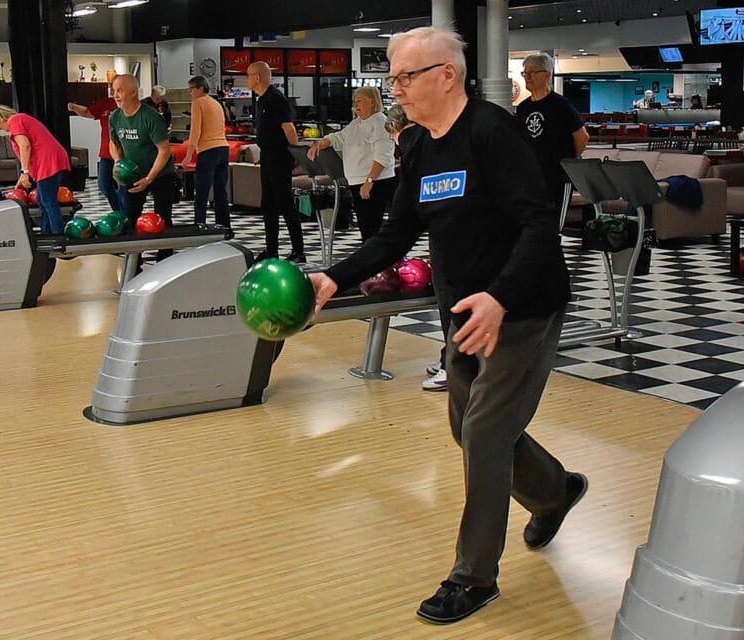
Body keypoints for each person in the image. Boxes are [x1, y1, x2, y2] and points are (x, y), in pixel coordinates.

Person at [308, 26, 587, 625]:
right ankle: (554, 491)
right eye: (392, 78)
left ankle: (473, 576)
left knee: (485, 431)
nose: (396, 89)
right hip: (461, 309)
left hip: (522, 307)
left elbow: (539, 224)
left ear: (447, 75)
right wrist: (333, 277)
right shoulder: (418, 146)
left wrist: (501, 298)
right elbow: (396, 233)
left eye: (406, 77)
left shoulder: (492, 132)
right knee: (468, 427)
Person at [387, 103, 449, 393]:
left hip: (459, 243)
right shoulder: (428, 143)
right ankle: (451, 359)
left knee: (453, 303)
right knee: (450, 303)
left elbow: (400, 226)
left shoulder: (416, 144)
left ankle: (454, 366)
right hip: (447, 237)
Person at [307, 86, 397, 243]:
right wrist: (321, 143)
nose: (356, 105)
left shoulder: (380, 122)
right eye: (355, 101)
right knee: (365, 226)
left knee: (371, 227)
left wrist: (369, 181)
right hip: (357, 181)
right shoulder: (357, 123)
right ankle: (368, 255)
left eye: (360, 101)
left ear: (372, 101)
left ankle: (374, 257)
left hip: (376, 182)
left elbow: (383, 156)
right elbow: (339, 137)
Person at [109, 74, 178, 258]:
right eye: (114, 90)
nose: (115, 95)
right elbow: (114, 143)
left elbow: (164, 150)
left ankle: (165, 261)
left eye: (120, 90)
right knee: (131, 218)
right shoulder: (115, 117)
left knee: (162, 218)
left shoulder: (150, 117)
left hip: (161, 173)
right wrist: (117, 162)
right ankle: (134, 263)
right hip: (133, 173)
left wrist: (149, 179)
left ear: (133, 93)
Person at [246, 61, 305, 263]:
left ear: (257, 77)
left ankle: (299, 251)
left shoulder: (276, 98)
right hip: (267, 157)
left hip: (280, 158)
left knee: (285, 203)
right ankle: (272, 249)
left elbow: (289, 129)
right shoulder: (261, 100)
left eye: (248, 75)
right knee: (268, 205)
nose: (247, 80)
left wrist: (295, 155)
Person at [515, 52, 589, 213]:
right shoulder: (523, 108)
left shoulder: (561, 105)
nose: (528, 77)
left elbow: (582, 136)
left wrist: (567, 160)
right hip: (532, 177)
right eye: (525, 73)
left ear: (547, 75)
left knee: (554, 220)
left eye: (532, 72)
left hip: (557, 178)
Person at [0, 104, 71, 235]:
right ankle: (46, 232)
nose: (1, 129)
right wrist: (23, 175)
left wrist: (24, 172)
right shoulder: (21, 119)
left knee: (48, 201)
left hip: (48, 161)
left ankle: (58, 234)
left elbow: (25, 146)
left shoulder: (15, 121)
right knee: (43, 201)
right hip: (49, 160)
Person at [182, 75, 231, 233]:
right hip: (223, 148)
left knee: (202, 190)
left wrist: (189, 155)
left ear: (200, 88)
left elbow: (195, 131)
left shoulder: (198, 103)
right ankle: (224, 225)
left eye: (191, 89)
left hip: (208, 150)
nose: (190, 93)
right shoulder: (216, 103)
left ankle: (199, 224)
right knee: (221, 191)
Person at [67, 97, 124, 211]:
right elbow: (87, 112)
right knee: (104, 184)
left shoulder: (129, 104)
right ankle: (119, 210)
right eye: (114, 90)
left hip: (125, 153)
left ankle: (126, 213)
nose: (116, 93)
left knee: (124, 186)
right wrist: (74, 107)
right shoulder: (106, 103)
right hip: (107, 153)